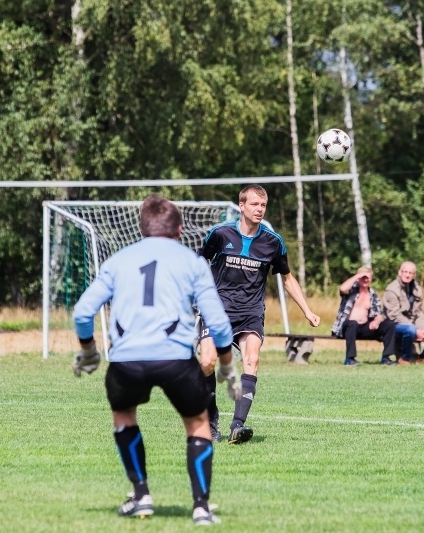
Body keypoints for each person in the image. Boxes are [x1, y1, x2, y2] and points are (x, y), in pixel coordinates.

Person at [72, 194, 234, 525]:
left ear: (142, 226)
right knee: (198, 422)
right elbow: (218, 323)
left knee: (124, 416)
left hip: (127, 361)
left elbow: (83, 311)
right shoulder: (192, 261)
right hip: (175, 359)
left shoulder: (118, 260)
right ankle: (201, 506)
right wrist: (227, 365)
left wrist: (89, 351)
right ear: (180, 228)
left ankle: (141, 495)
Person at [199, 184, 321, 444]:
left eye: (263, 205)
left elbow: (288, 279)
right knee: (207, 362)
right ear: (241, 206)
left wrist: (308, 311)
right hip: (218, 308)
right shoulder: (220, 234)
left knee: (252, 359)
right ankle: (211, 421)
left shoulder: (272, 241)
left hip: (251, 311)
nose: (259, 209)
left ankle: (237, 426)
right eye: (254, 204)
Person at [384, 261, 424, 365]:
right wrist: (415, 330)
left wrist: (421, 329)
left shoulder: (416, 289)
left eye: (410, 273)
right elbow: (394, 315)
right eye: (405, 272)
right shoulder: (392, 290)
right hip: (395, 326)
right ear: (399, 273)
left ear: (414, 275)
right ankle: (405, 358)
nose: (407, 275)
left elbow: (419, 312)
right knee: (409, 329)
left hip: (413, 324)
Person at [331, 267, 397, 366]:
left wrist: (376, 322)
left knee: (389, 324)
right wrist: (358, 275)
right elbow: (342, 288)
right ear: (358, 278)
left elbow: (379, 314)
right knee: (352, 323)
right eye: (363, 277)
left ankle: (386, 357)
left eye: (367, 278)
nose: (365, 280)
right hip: (348, 327)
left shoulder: (372, 294)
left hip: (364, 327)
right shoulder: (351, 290)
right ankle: (350, 359)